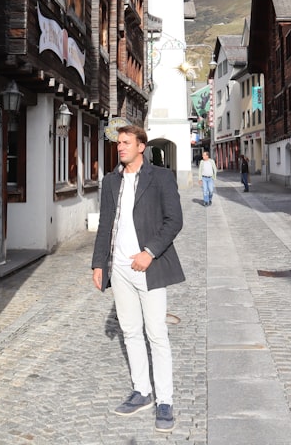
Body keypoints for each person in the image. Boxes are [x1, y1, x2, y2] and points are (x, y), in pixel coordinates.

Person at [91, 124, 185, 433]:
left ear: (141, 146)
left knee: (156, 332)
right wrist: (97, 265)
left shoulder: (160, 178)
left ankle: (165, 401)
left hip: (148, 266)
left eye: (126, 142)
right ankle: (142, 391)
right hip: (118, 268)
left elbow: (174, 221)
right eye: (118, 143)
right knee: (130, 331)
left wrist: (150, 252)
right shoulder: (110, 181)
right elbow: (106, 224)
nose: (120, 147)